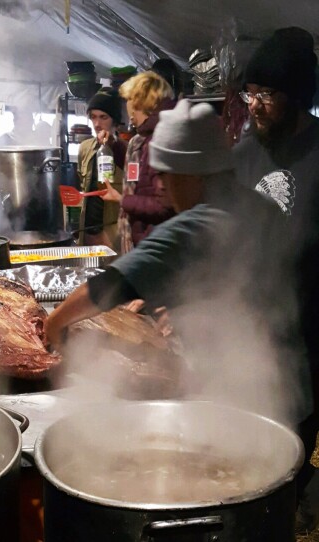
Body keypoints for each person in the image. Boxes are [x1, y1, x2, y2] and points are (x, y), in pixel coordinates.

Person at [45, 99, 313, 526]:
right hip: (292, 389)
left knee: (227, 505)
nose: (164, 188)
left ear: (193, 174)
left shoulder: (197, 223)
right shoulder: (256, 205)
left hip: (246, 398)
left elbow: (106, 287)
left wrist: (55, 321)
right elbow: (237, 283)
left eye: (167, 176)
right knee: (270, 500)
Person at [232, 27, 319, 525]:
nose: (255, 106)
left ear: (297, 94)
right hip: (253, 311)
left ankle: (294, 494)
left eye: (266, 94)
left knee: (302, 417)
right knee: (257, 407)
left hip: (310, 316)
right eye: (250, 93)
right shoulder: (245, 152)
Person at [102, 71, 176, 253]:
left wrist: (122, 199)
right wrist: (114, 145)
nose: (130, 115)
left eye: (130, 102)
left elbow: (164, 206)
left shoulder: (161, 140)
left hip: (156, 246)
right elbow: (140, 174)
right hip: (147, 241)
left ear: (142, 102)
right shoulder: (144, 138)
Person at [75, 88, 127, 249]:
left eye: (103, 117)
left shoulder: (127, 150)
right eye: (93, 117)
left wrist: (112, 144)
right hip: (87, 231)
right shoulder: (85, 148)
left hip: (114, 232)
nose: (97, 124)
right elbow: (82, 184)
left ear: (115, 120)